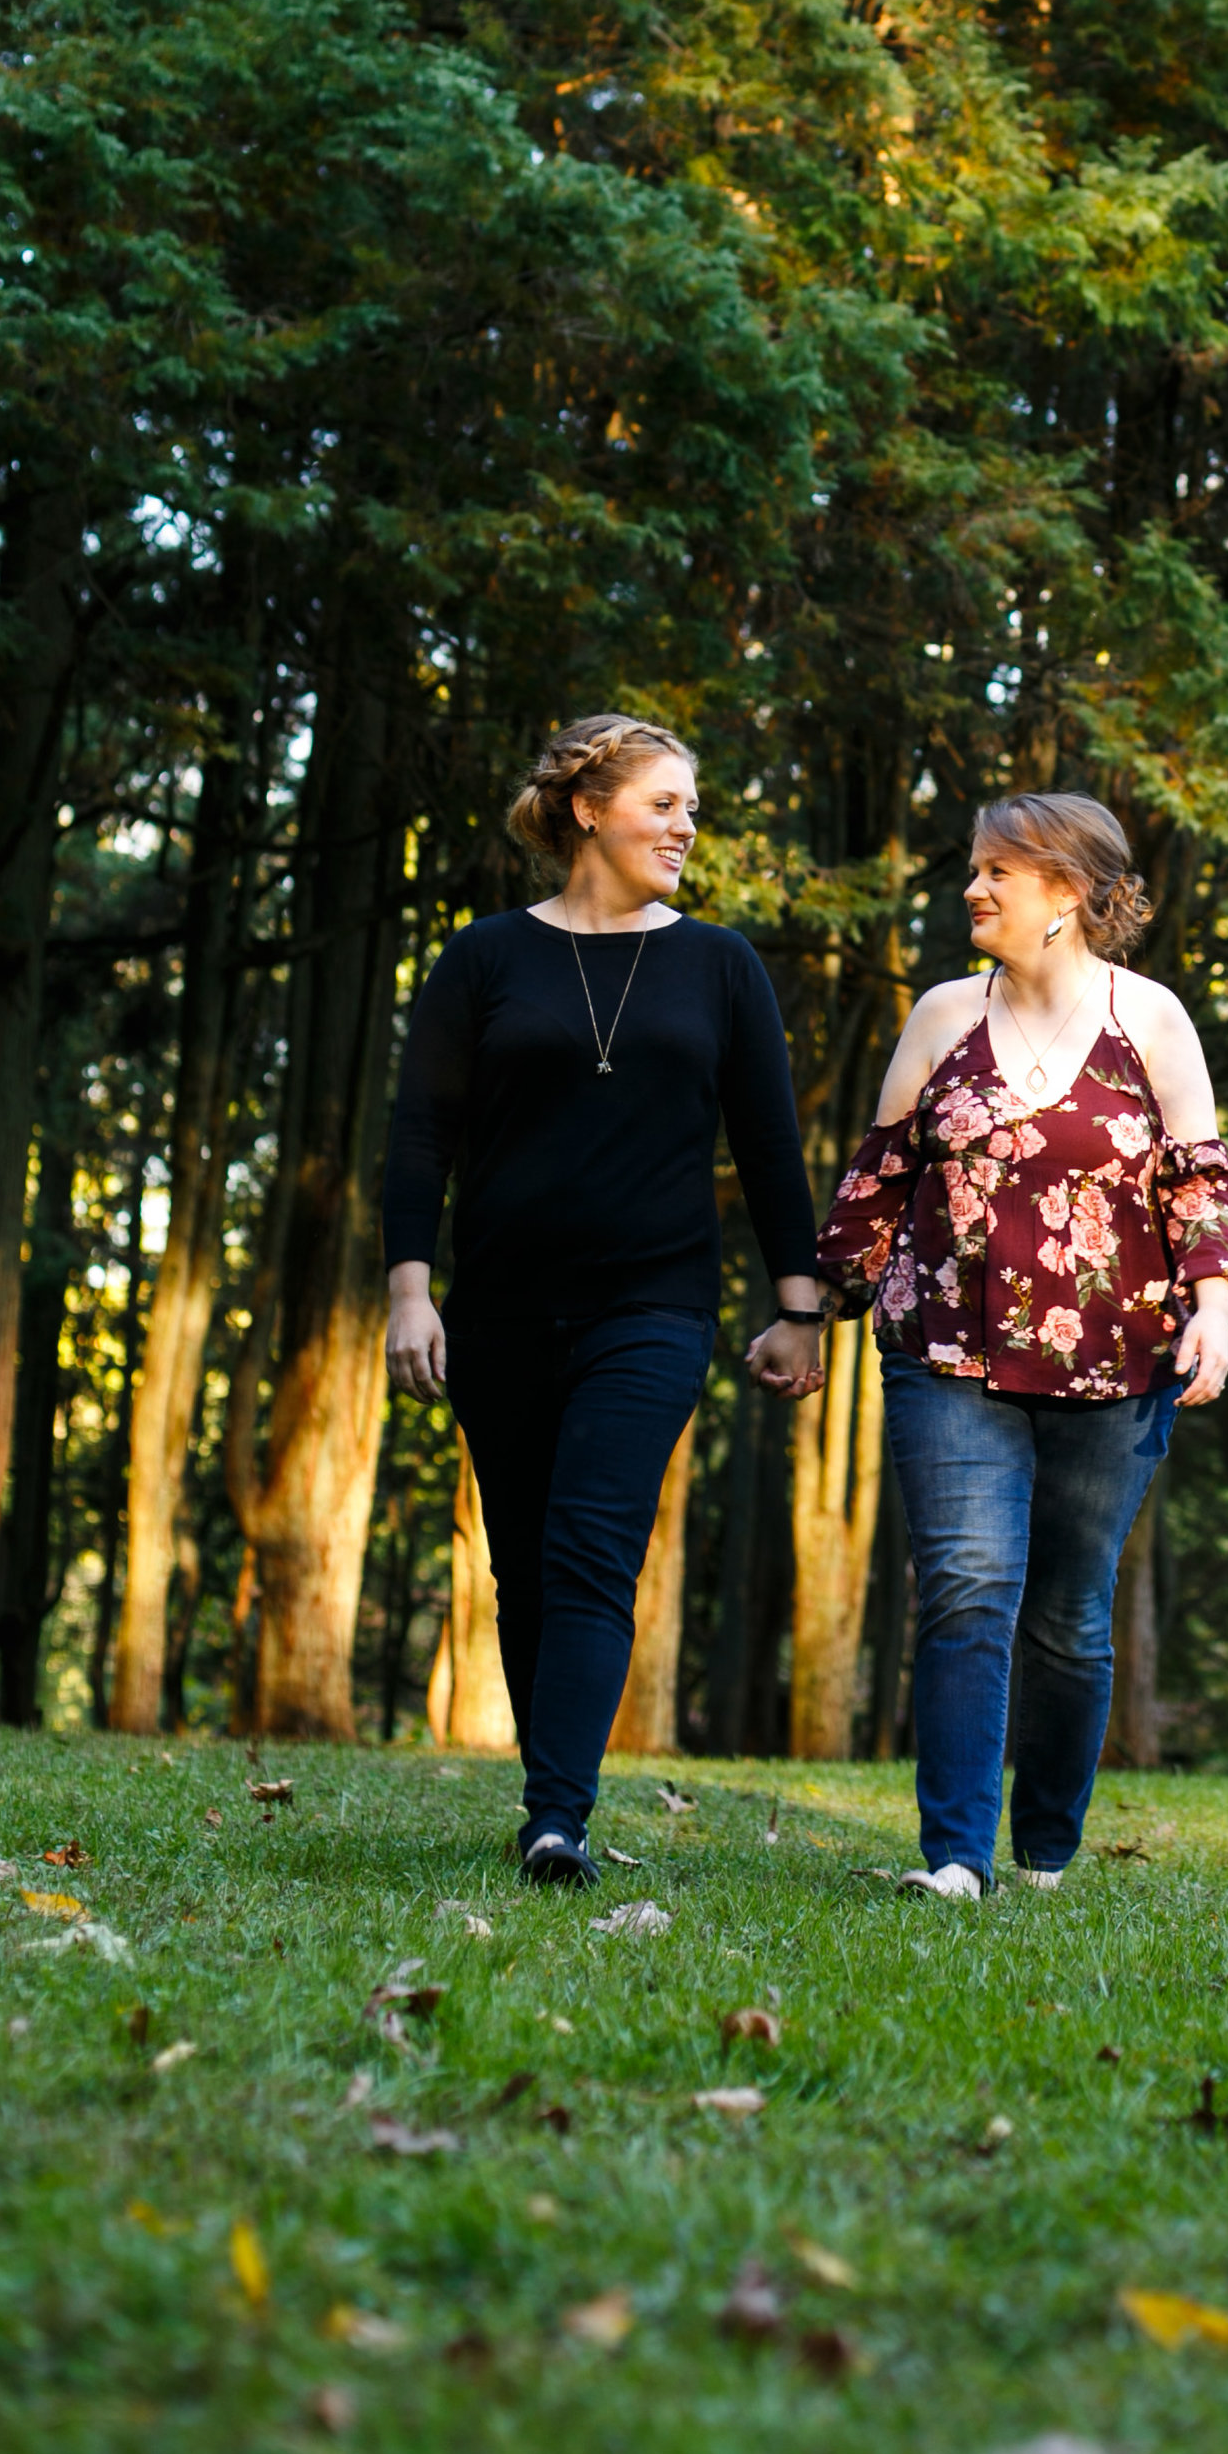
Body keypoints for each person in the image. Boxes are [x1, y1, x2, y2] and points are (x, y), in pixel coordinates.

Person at [751, 793, 1228, 1895]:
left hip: (1115, 1361)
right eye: (973, 869)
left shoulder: (1151, 1019)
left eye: (997, 872)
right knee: (968, 1588)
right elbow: (877, 1185)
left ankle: (1046, 1851)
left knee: (1069, 1618)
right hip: (946, 1351)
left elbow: (1200, 1184)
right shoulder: (939, 1017)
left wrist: (1211, 1309)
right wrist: (804, 1314)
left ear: (1066, 892)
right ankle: (956, 1858)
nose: (971, 888)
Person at [383, 715, 822, 1884]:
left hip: (654, 1307)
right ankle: (550, 1798)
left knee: (590, 1548)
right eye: (665, 803)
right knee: (522, 1565)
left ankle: (555, 1819)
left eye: (692, 805)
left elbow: (770, 1146)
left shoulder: (720, 963)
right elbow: (421, 1131)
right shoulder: (482, 959)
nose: (688, 825)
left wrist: (800, 1307)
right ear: (589, 809)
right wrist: (410, 1291)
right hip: (500, 1312)